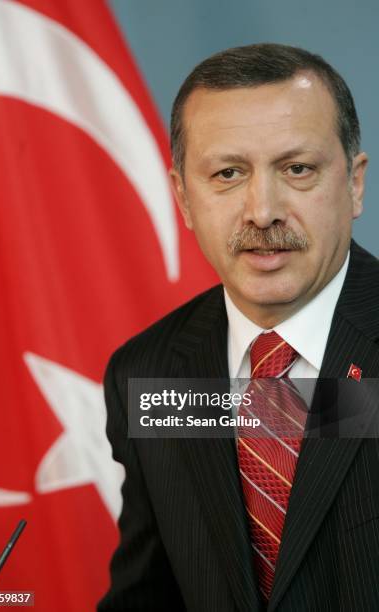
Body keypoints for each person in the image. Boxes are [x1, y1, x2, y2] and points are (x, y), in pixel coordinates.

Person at [97, 44, 379, 611]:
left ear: (353, 182)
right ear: (182, 197)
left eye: (297, 169)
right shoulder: (149, 372)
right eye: (228, 173)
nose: (262, 210)